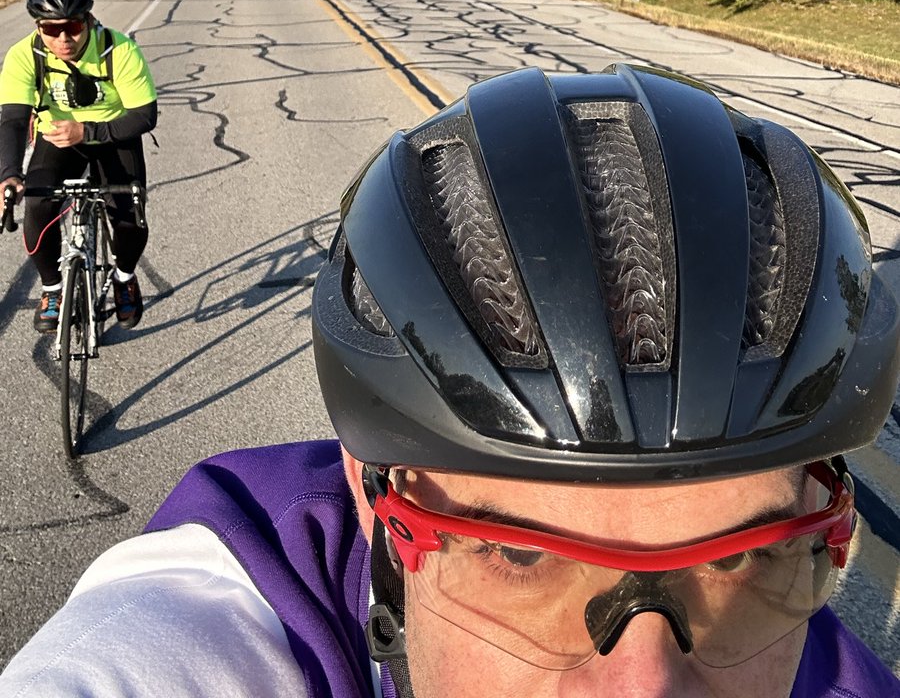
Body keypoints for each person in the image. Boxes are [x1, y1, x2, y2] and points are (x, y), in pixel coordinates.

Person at [2, 64, 899, 697]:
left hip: (113, 145)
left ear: (827, 524)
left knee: (126, 213)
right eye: (520, 555)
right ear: (369, 497)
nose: (645, 689)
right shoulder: (209, 621)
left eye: (741, 555)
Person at [0, 0, 157, 332]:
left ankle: (124, 277)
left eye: (72, 26)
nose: (64, 39)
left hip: (115, 135)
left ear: (87, 20)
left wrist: (88, 131)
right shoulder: (25, 56)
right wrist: (8, 174)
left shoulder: (118, 50)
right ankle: (53, 288)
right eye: (51, 29)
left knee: (130, 213)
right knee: (37, 205)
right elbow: (11, 119)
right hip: (56, 140)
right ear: (38, 27)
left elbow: (145, 116)